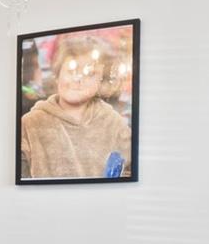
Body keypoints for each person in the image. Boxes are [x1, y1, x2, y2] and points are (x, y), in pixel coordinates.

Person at [18, 33, 133, 180]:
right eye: (71, 71)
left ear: (100, 81)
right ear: (58, 74)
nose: (78, 79)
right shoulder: (30, 124)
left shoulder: (115, 124)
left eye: (90, 73)